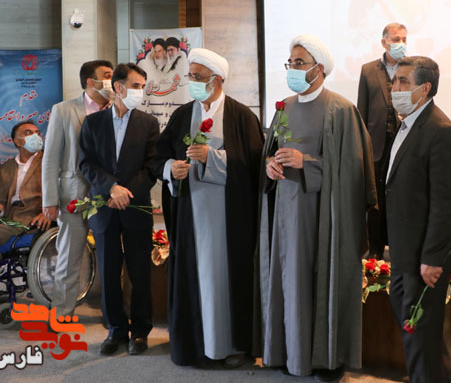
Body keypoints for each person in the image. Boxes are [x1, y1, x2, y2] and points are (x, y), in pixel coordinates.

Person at [257, 34, 376, 380]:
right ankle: (289, 352)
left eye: (299, 63)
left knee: (321, 280)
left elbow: (352, 172)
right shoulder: (284, 107)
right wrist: (270, 165)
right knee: (289, 280)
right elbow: (270, 152)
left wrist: (306, 163)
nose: (292, 69)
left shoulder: (341, 110)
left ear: (319, 68)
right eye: (290, 63)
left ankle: (326, 360)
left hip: (325, 216)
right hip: (287, 212)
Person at [154, 48, 264, 368]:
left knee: (228, 281)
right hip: (190, 216)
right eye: (190, 76)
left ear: (216, 80)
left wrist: (212, 158)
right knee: (193, 278)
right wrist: (170, 168)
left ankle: (234, 346)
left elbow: (254, 166)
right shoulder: (181, 115)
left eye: (198, 77)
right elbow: (159, 156)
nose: (192, 82)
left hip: (229, 221)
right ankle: (194, 346)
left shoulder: (242, 117)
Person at [385, 56, 451, 383]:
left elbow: (445, 204)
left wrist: (432, 258)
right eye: (394, 80)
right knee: (417, 330)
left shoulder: (440, 130)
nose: (395, 87)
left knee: (417, 330)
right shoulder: (407, 123)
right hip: (405, 249)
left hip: (425, 255)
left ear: (425, 88)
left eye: (403, 81)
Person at [78, 63, 159, 356]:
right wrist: (111, 188)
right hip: (104, 206)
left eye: (142, 87)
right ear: (119, 87)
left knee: (140, 272)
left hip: (136, 205)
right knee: (109, 272)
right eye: (136, 86)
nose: (140, 92)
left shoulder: (149, 123)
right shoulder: (93, 123)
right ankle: (115, 331)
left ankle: (140, 332)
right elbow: (86, 164)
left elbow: (151, 167)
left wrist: (126, 192)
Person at [42, 59, 114, 317]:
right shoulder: (63, 110)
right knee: (69, 257)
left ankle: (112, 315)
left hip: (108, 192)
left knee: (110, 257)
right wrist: (49, 199)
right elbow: (50, 158)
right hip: (73, 193)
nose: (111, 80)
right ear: (91, 81)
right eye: (107, 75)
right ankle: (61, 312)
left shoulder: (118, 109)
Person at [357, 22, 407, 258]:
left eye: (404, 39)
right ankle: (375, 248)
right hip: (375, 144)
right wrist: (361, 144)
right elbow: (362, 110)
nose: (401, 44)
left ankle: (397, 245)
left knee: (399, 196)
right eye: (396, 39)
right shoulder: (368, 70)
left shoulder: (411, 68)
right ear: (384, 42)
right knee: (375, 198)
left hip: (402, 141)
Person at [0, 121, 50, 287]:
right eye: (28, 133)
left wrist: (49, 212)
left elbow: (60, 192)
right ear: (17, 141)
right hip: (9, 221)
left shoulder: (49, 162)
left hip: (33, 220)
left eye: (37, 133)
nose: (35, 136)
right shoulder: (5, 169)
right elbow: (1, 202)